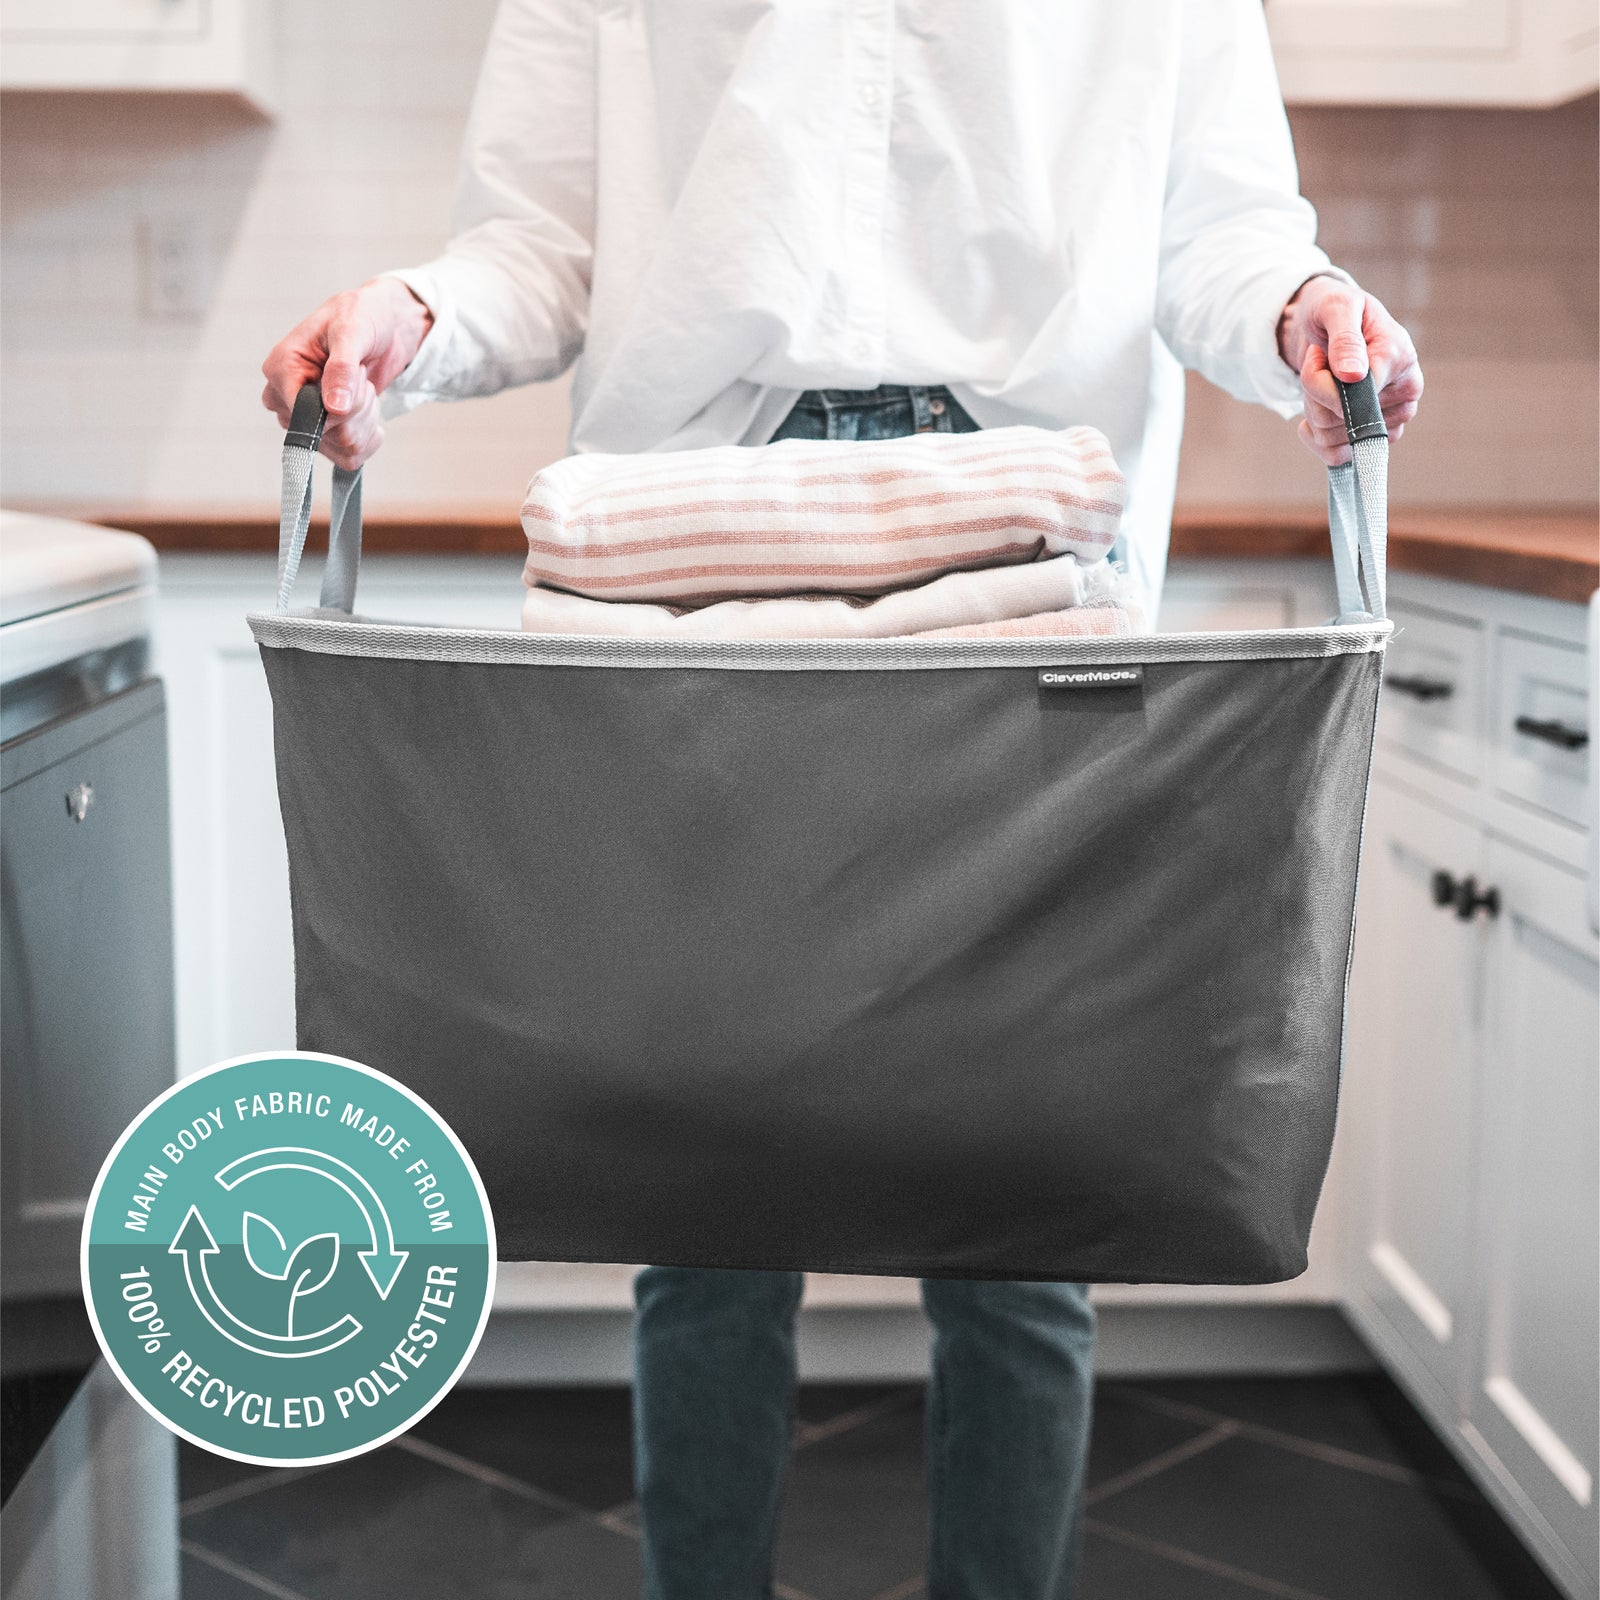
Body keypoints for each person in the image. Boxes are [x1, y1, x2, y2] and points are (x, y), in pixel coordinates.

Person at [262, 5, 1423, 1595]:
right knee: (700, 1174)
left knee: (1032, 1193)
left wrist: (1303, 306)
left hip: (1032, 558)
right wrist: (414, 312)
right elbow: (539, 245)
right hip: (700, 556)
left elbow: (1217, 231)